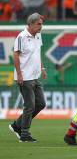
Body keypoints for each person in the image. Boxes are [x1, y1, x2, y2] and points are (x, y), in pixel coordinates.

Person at [9, 13, 46, 142]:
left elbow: (37, 54)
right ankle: (24, 134)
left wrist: (42, 68)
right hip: (25, 77)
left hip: (35, 76)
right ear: (30, 24)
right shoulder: (21, 37)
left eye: (41, 24)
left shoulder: (38, 36)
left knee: (41, 103)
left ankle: (16, 125)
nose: (41, 26)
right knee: (29, 105)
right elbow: (15, 55)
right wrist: (19, 74)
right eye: (39, 24)